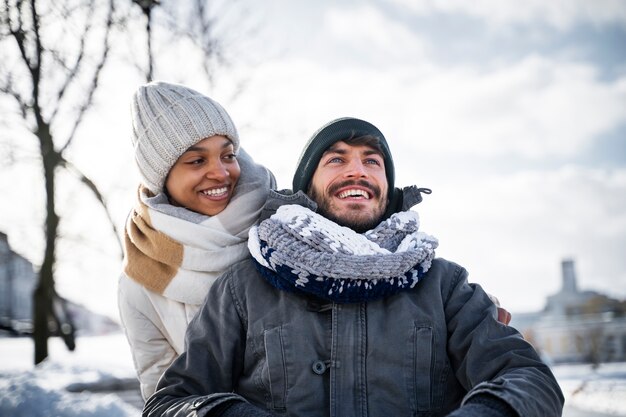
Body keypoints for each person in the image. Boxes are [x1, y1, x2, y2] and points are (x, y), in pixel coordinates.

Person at [143, 117, 564, 417]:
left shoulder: (445, 285)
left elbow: (528, 379)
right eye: (337, 160)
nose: (357, 171)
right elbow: (173, 402)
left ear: (388, 187)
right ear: (307, 188)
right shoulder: (243, 287)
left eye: (372, 161)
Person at [117, 81, 275, 400]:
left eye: (228, 155)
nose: (221, 173)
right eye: (197, 161)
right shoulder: (141, 279)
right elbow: (164, 395)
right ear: (161, 176)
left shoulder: (278, 224)